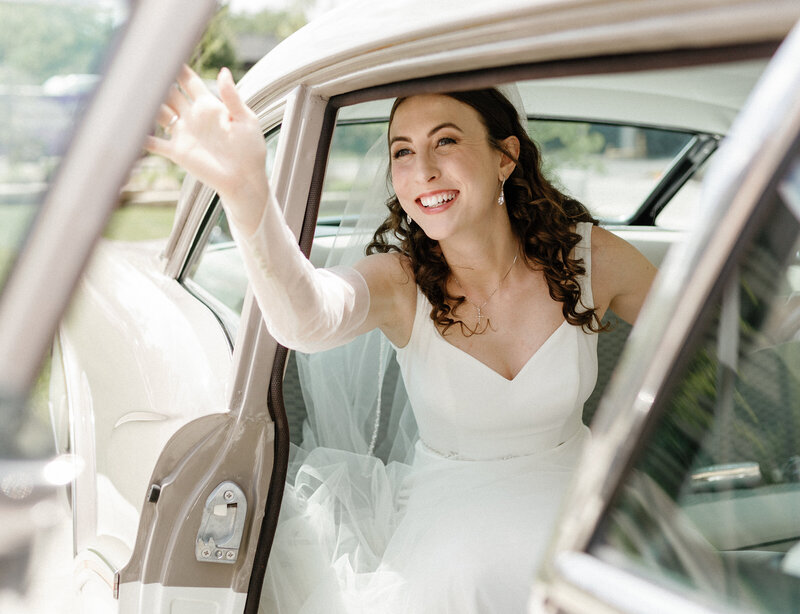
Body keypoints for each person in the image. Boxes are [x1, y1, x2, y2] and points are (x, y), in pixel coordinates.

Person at [147, 66, 656, 613]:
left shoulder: (587, 258)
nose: (424, 172)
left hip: (583, 501)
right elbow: (305, 320)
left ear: (505, 156)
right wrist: (246, 193)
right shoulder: (399, 281)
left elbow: (722, 322)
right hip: (454, 521)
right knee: (470, 574)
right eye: (403, 152)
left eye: (446, 142)